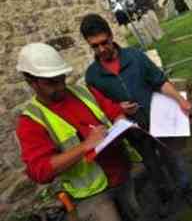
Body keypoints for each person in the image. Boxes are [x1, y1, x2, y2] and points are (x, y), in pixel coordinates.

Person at [15, 43, 173, 220]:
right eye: (51, 83)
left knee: (137, 213)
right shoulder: (31, 122)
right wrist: (85, 146)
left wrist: (120, 119)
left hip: (122, 173)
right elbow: (40, 171)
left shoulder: (82, 91)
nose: (60, 87)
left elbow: (112, 109)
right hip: (93, 194)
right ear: (31, 82)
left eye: (61, 79)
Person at [80, 13, 192, 210]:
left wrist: (181, 101)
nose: (101, 49)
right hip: (134, 131)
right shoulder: (92, 75)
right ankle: (166, 196)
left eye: (104, 42)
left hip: (159, 119)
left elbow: (159, 80)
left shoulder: (135, 56)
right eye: (94, 46)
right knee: (151, 165)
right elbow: (100, 106)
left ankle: (187, 190)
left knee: (173, 158)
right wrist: (118, 109)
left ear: (111, 36)